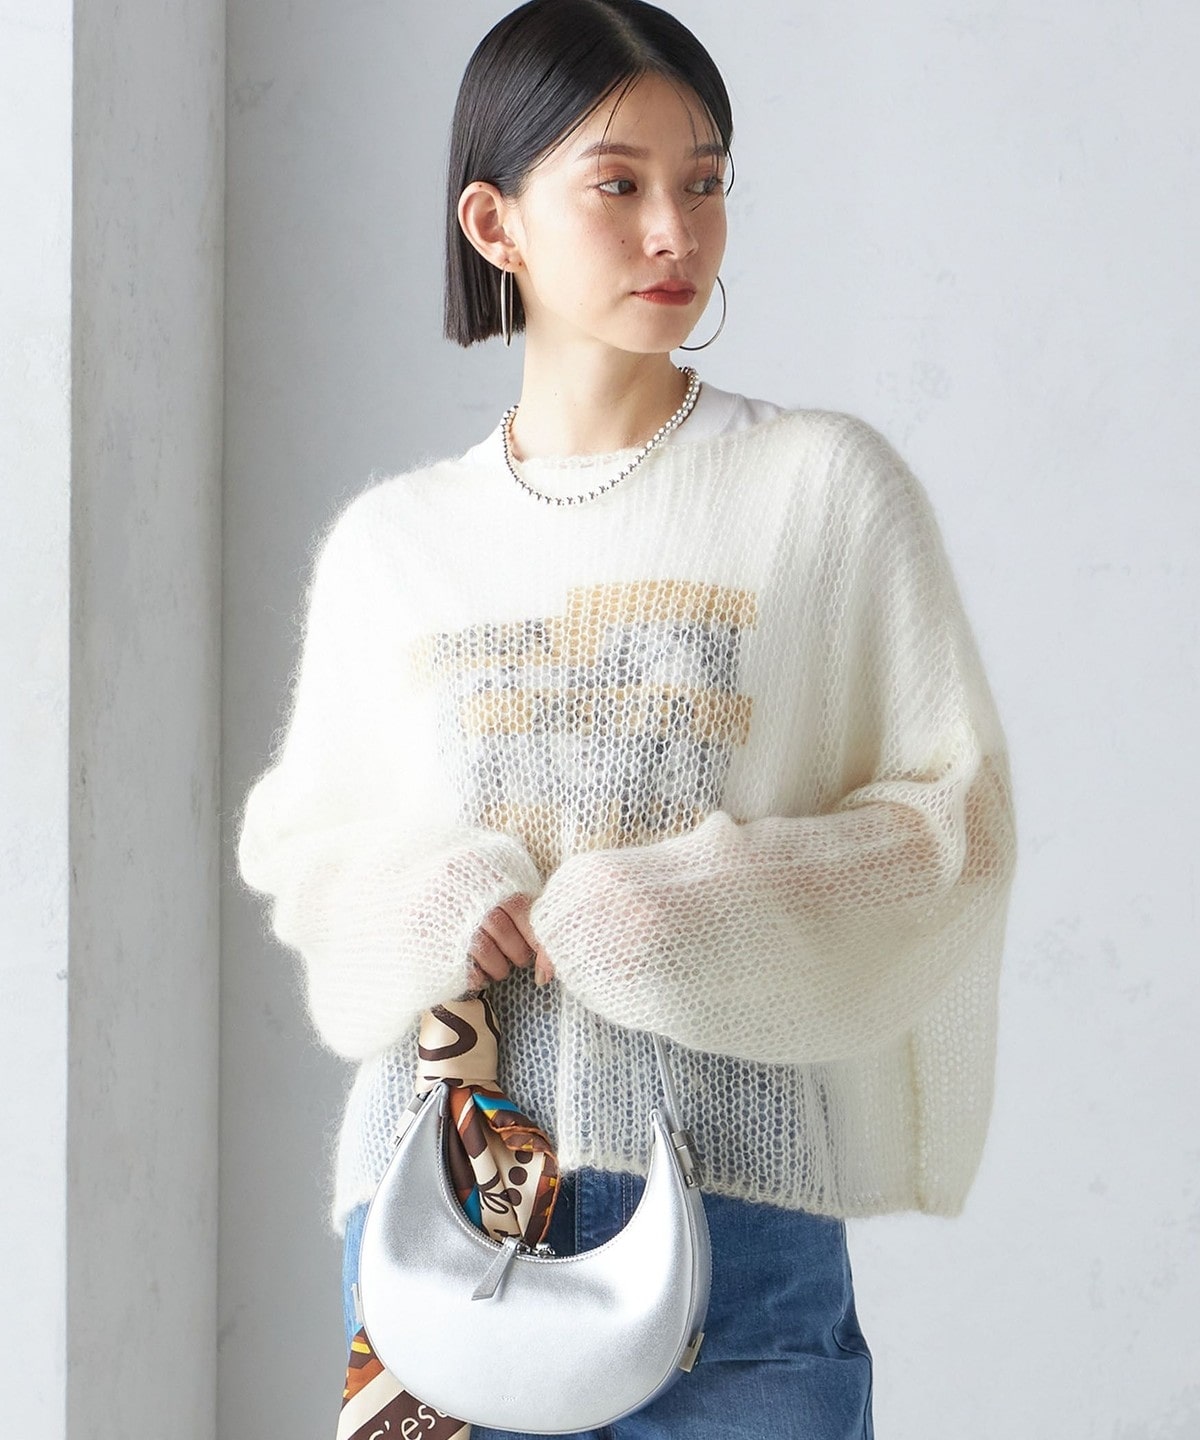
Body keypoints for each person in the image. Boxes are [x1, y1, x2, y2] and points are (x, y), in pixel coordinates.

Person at [235, 2, 1019, 1437]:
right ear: (495, 222)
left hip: (736, 1226)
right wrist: (430, 902)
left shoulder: (820, 491)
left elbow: (949, 825)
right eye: (619, 183)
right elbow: (304, 855)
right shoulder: (394, 546)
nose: (676, 230)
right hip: (437, 1215)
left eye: (704, 182)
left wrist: (677, 907)